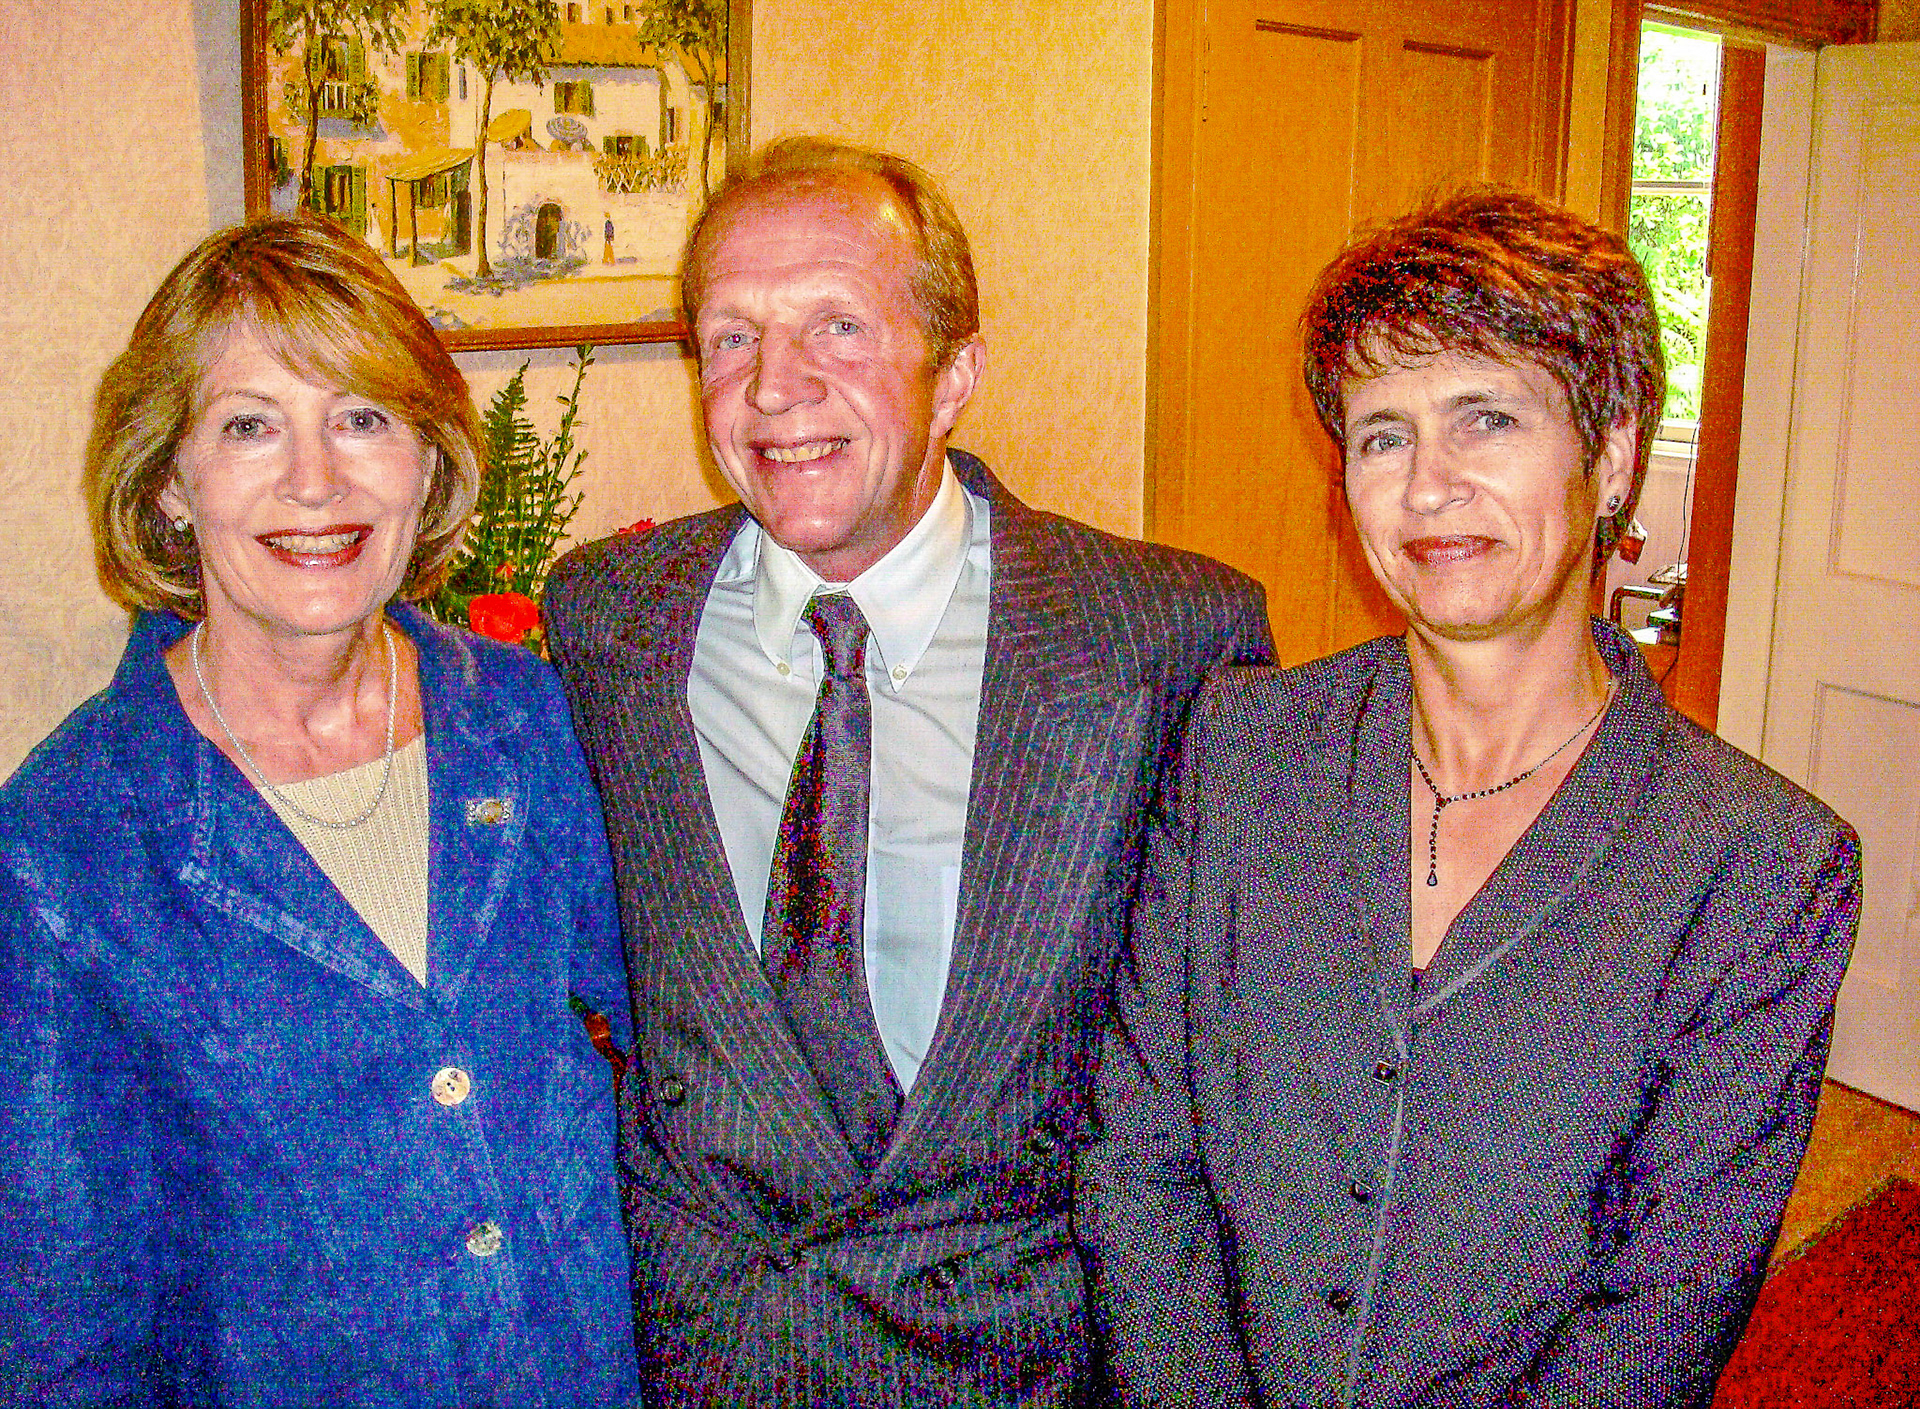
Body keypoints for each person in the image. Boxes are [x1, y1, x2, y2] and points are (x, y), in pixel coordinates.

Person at [1077, 188, 1861, 1407]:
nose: (1428, 487)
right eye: (1383, 434)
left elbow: (1661, 1308)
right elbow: (1140, 1151)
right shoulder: (1237, 749)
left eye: (1484, 418)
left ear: (1607, 458)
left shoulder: (1757, 866)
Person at [542, 137, 1274, 1403]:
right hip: (704, 1355)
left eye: (838, 327)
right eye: (730, 337)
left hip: (1023, 1359)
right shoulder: (608, 620)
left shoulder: (1167, 637)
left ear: (956, 375)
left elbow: (1223, 1084)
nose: (774, 390)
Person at [0, 214, 640, 1406]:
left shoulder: (528, 717)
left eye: (360, 417)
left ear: (426, 460)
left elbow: (683, 1049)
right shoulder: (70, 840)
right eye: (249, 425)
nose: (316, 480)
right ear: (171, 483)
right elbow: (63, 1320)